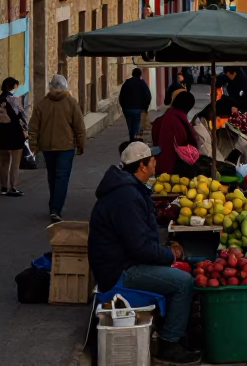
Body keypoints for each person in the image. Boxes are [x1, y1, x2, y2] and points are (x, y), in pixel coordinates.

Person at [88, 142, 198, 364]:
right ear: (142, 166)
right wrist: (169, 255)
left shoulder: (129, 189)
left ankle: (176, 328)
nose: (156, 162)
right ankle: (169, 344)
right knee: (183, 282)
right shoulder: (126, 197)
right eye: (152, 159)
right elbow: (139, 248)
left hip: (123, 261)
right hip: (119, 270)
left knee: (186, 267)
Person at [27, 74, 86, 222]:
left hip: (47, 146)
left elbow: (33, 127)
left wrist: (33, 145)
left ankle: (53, 205)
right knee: (62, 177)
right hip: (66, 146)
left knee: (52, 176)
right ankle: (56, 209)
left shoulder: (42, 104)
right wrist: (81, 144)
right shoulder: (71, 103)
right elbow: (79, 126)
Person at [0, 77, 27, 197]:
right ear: (14, 86)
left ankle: (3, 187)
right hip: (14, 132)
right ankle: (13, 187)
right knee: (15, 162)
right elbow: (21, 115)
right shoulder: (13, 99)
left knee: (3, 161)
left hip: (2, 133)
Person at [152, 91, 199, 179]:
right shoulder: (176, 121)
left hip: (159, 164)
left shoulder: (163, 118)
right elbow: (181, 145)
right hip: (173, 168)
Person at [118, 67, 153, 142]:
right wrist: (145, 108)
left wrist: (123, 107)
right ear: (140, 75)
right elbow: (148, 96)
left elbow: (121, 96)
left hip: (127, 109)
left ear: (132, 74)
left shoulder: (127, 83)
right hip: (138, 108)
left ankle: (132, 140)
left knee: (130, 127)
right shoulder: (142, 84)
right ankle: (134, 142)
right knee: (136, 127)